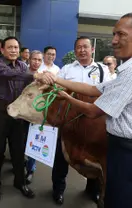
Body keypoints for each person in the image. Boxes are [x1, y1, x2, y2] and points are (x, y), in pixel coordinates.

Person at [44, 12, 132, 208]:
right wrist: (55, 79)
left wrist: (66, 97)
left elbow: (94, 111)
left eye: (120, 34)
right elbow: (94, 89)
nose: (114, 41)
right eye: (114, 35)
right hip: (131, 153)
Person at [0, 36, 48, 203]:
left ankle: (19, 183)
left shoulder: (22, 65)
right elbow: (12, 74)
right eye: (10, 47)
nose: (13, 50)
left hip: (18, 112)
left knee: (18, 150)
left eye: (16, 47)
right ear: (2, 50)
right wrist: (33, 74)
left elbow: (29, 79)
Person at [52, 36, 110, 205]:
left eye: (85, 47)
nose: (82, 50)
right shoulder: (66, 70)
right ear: (75, 51)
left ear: (92, 49)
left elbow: (107, 92)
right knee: (61, 156)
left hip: (93, 121)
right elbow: (56, 91)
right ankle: (58, 189)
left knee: (92, 155)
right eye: (78, 47)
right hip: (69, 121)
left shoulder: (102, 70)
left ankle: (92, 189)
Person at [23, 50, 44, 184]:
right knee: (20, 142)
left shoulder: (44, 77)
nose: (36, 62)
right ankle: (19, 166)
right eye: (34, 59)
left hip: (36, 117)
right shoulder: (22, 74)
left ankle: (31, 170)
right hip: (22, 115)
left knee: (34, 144)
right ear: (29, 60)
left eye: (39, 60)